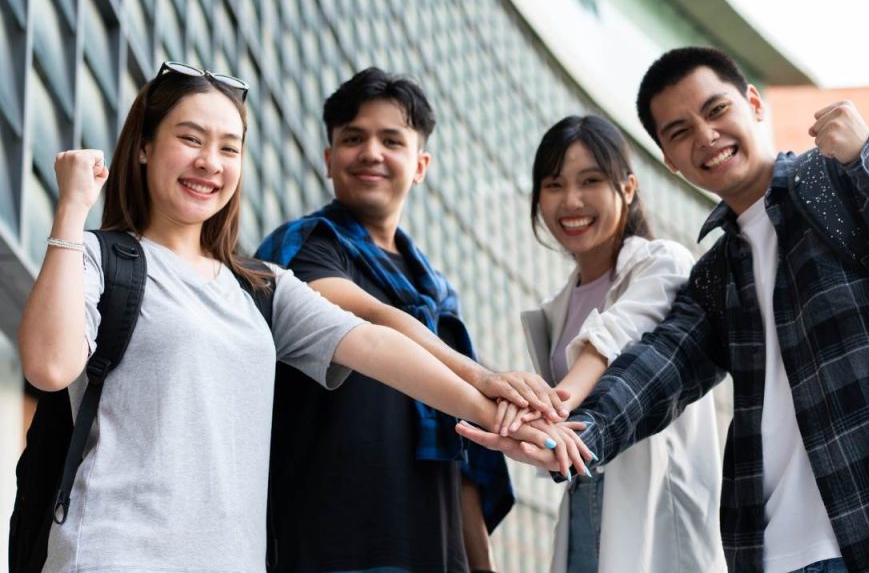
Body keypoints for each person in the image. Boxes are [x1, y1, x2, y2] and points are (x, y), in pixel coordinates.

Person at [18, 62, 576, 572]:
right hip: (113, 556)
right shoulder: (99, 257)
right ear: (143, 147)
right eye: (190, 139)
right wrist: (71, 210)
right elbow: (48, 366)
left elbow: (376, 343)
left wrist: (495, 411)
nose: (209, 162)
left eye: (229, 148)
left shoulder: (259, 286)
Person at [458, 47, 869, 572]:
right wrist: (575, 434)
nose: (706, 136)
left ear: (754, 104)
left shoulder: (838, 182)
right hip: (784, 551)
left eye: (716, 110)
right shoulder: (715, 275)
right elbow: (656, 370)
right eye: (680, 132)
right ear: (669, 160)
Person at [257, 67, 577, 573]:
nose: (371, 153)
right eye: (353, 139)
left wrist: (480, 564)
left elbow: (465, 449)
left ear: (420, 163)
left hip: (433, 549)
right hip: (327, 545)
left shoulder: (437, 295)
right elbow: (371, 318)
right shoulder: (304, 248)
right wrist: (484, 378)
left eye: (391, 140)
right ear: (328, 158)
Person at [494, 115, 724, 572]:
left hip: (659, 509)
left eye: (591, 181)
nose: (571, 201)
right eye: (554, 184)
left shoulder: (663, 263)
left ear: (628, 186)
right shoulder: (554, 308)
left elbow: (614, 338)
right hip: (584, 501)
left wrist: (549, 403)